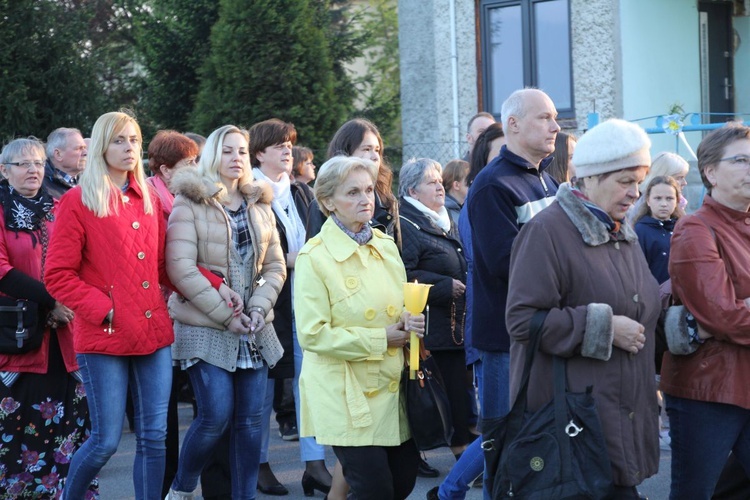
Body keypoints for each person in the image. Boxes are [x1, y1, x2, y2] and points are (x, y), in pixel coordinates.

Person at [506, 118, 660, 498]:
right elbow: (522, 320)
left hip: (617, 416)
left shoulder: (622, 231)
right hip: (574, 425)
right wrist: (605, 328)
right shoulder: (547, 231)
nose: (635, 193)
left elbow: (637, 306)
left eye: (639, 182)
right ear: (589, 178)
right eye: (625, 181)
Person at [45, 111, 175, 500]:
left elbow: (165, 265)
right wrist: (107, 309)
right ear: (101, 146)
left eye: (134, 140)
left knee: (155, 437)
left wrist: (215, 286)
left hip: (153, 333)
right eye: (119, 140)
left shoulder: (149, 199)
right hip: (104, 335)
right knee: (105, 442)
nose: (129, 148)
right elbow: (57, 274)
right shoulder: (76, 201)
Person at [164, 124, 286, 500]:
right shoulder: (190, 201)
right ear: (213, 156)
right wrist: (226, 313)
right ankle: (183, 487)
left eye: (242, 152)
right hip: (206, 325)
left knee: (251, 423)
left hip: (252, 326)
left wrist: (259, 305)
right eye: (228, 151)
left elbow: (274, 269)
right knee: (215, 415)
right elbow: (180, 269)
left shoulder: (260, 204)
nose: (236, 159)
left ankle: (244, 496)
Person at [294, 155, 425, 500]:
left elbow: (396, 306)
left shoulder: (384, 244)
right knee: (375, 490)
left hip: (392, 385)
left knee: (403, 482)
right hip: (344, 392)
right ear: (327, 202)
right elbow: (312, 334)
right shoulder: (314, 257)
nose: (365, 199)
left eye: (368, 190)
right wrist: (380, 338)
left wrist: (409, 322)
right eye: (352, 192)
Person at [465, 88, 559, 496]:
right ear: (514, 125)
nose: (556, 126)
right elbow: (507, 265)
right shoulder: (492, 186)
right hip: (506, 341)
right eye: (545, 117)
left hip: (545, 333)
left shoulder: (549, 179)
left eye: (555, 117)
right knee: (505, 451)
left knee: (540, 447)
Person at [0, 138, 96, 498]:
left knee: (69, 425)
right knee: (19, 425)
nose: (33, 170)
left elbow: (82, 260)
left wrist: (66, 301)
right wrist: (50, 301)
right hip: (19, 335)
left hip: (67, 333)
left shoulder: (59, 206)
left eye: (38, 163)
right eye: (23, 164)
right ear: (4, 170)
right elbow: (2, 269)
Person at [660, 123, 750, 499]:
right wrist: (736, 308)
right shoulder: (695, 229)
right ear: (710, 172)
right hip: (709, 388)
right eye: (742, 160)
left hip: (743, 381)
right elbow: (723, 315)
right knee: (695, 492)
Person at [248, 118, 329, 497]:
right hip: (266, 299)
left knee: (308, 383)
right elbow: (250, 256)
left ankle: (314, 464)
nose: (288, 150)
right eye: (279, 144)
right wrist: (292, 259)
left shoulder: (301, 192)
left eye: (290, 143)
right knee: (263, 389)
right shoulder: (247, 192)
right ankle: (258, 464)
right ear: (259, 152)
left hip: (306, 300)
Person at [428, 123, 508, 500]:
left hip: (511, 328)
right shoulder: (482, 198)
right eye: (499, 152)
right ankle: (450, 490)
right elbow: (494, 266)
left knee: (512, 427)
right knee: (500, 428)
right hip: (493, 329)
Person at [398, 158, 471, 455]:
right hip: (430, 326)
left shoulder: (445, 217)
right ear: (413, 192)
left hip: (454, 323)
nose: (440, 185)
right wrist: (442, 287)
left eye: (439, 180)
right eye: (431, 182)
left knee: (458, 390)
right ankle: (456, 451)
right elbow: (402, 272)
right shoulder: (406, 224)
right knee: (440, 391)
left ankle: (459, 446)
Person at [146, 130, 201, 497]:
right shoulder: (152, 197)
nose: (196, 169)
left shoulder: (186, 196)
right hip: (160, 308)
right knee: (161, 411)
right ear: (166, 170)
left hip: (187, 303)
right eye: (189, 164)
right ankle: (165, 484)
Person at [633, 176, 684, 285]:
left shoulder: (683, 228)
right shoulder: (640, 231)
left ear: (677, 201)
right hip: (655, 295)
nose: (664, 204)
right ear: (648, 200)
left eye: (669, 198)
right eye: (658, 198)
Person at [629, 152, 689, 222]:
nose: (684, 183)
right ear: (663, 178)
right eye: (679, 178)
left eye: (669, 198)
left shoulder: (679, 205)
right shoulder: (639, 211)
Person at [43, 128, 87, 199]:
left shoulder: (89, 182)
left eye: (85, 148)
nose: (85, 153)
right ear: (58, 154)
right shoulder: (40, 186)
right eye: (79, 148)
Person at [442, 159, 470, 230]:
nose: (473, 186)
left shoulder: (461, 208)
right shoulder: (447, 214)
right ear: (456, 185)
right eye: (470, 182)